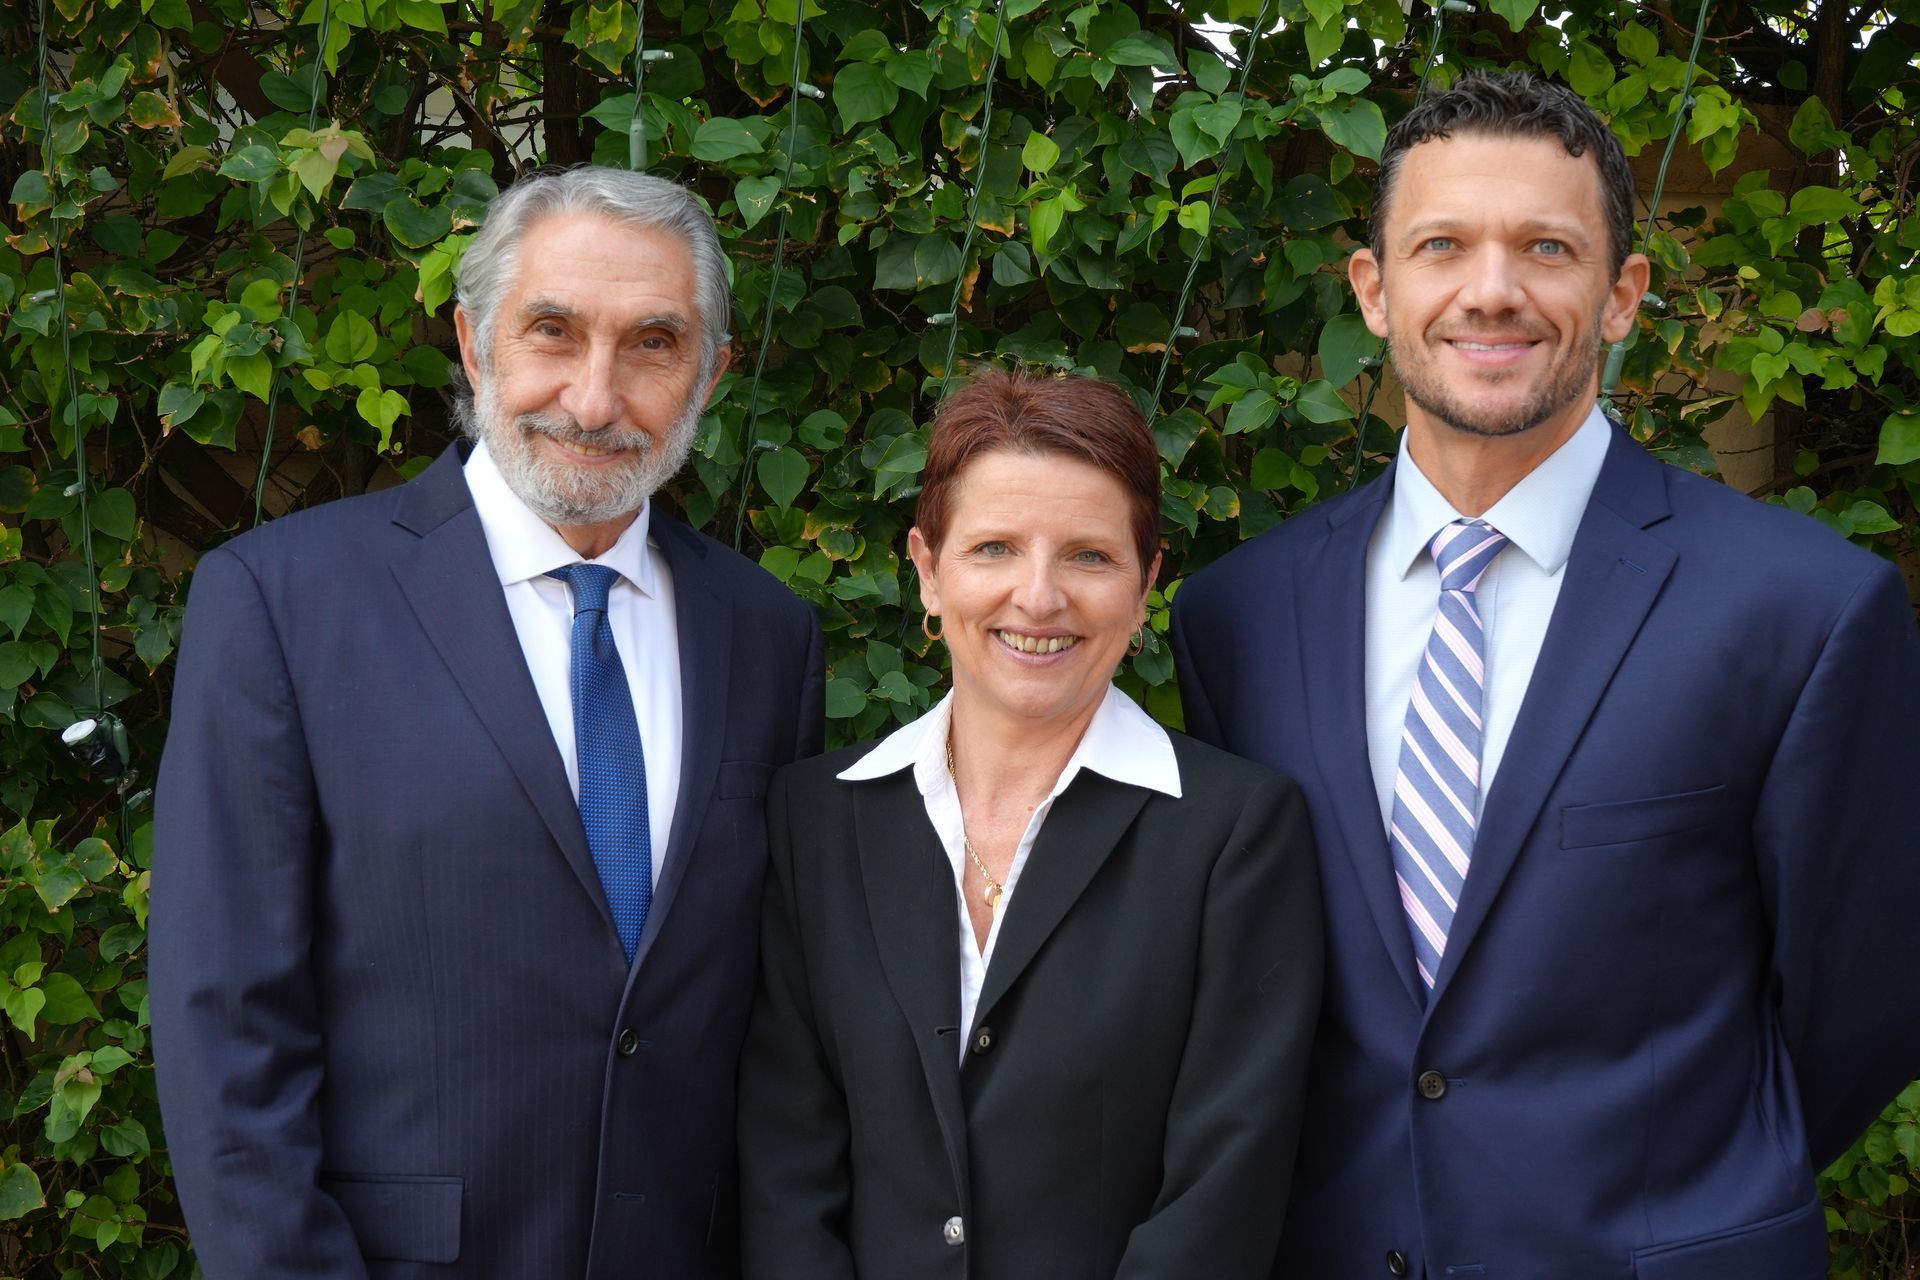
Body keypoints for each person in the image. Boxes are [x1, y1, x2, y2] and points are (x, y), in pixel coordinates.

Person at [1174, 70, 1920, 1278]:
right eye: (1440, 245)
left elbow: (1865, 1005)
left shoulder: (1804, 608)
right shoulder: (1239, 617)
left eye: (1546, 247)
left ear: (1621, 295)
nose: (1492, 290)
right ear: (1375, 290)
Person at [150, 167, 823, 1278]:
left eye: (653, 343)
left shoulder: (766, 634)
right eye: (552, 331)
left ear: (713, 371)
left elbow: (771, 1024)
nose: (596, 398)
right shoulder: (282, 603)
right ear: (473, 343)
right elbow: (228, 1035)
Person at [736, 368, 1323, 1278]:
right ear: (928, 571)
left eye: (1089, 556)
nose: (1039, 598)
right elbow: (785, 1163)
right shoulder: (815, 819)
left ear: (1144, 584)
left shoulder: (1235, 834)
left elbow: (1223, 1188)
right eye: (995, 549)